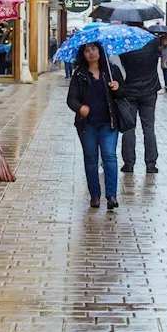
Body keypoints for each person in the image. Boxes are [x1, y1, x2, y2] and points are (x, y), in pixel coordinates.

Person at [66, 42, 124, 210]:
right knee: (91, 159)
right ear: (83, 54)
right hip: (87, 125)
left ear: (100, 50)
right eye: (86, 50)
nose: (91, 53)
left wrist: (118, 88)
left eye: (93, 49)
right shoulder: (79, 75)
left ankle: (111, 196)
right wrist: (80, 108)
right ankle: (95, 196)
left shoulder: (112, 71)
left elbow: (124, 93)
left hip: (108, 123)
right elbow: (71, 99)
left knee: (109, 157)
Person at [117, 35, 162, 174]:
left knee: (129, 128)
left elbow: (121, 64)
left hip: (129, 91)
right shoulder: (153, 41)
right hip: (150, 90)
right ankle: (151, 164)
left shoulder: (124, 42)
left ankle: (128, 164)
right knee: (149, 128)